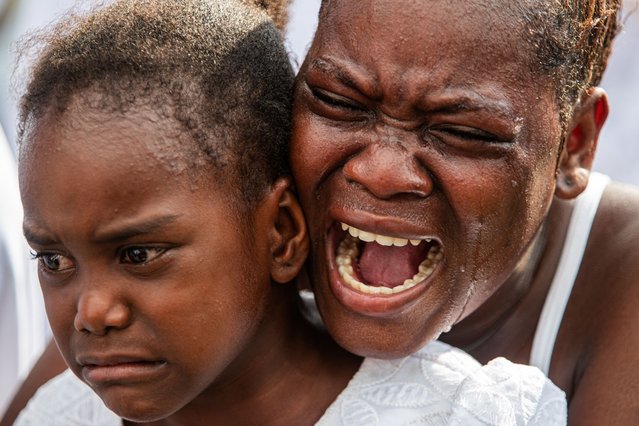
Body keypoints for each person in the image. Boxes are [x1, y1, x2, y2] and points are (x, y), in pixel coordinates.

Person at [8, 0, 568, 425]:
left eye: (138, 254)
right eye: (53, 260)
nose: (92, 311)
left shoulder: (463, 415)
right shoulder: (54, 416)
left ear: (279, 233)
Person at [290, 0, 639, 422]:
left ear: (575, 143)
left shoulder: (623, 282)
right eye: (338, 102)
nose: (382, 173)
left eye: (462, 132)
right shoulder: (233, 228)